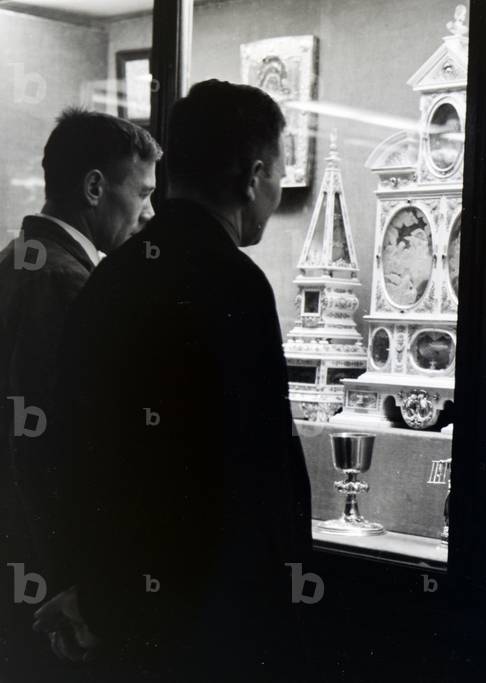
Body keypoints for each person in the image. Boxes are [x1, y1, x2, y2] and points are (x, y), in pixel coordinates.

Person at [33, 80, 312, 681]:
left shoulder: (110, 275)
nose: (277, 188)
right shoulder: (235, 283)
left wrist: (101, 596)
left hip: (119, 609)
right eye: (279, 171)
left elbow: (77, 454)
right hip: (209, 621)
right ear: (253, 175)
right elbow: (247, 476)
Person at [0, 110, 159, 653]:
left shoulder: (13, 261)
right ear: (95, 187)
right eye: (142, 194)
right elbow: (48, 454)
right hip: (47, 595)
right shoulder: (70, 287)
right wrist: (79, 592)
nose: (149, 213)